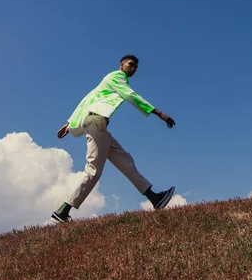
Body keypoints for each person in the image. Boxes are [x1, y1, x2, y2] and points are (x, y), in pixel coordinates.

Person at [50, 55, 175, 224]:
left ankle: (154, 198)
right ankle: (62, 211)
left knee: (125, 161)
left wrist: (70, 122)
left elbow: (87, 99)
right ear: (121, 65)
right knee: (93, 170)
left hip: (98, 125)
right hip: (96, 123)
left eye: (136, 67)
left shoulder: (108, 81)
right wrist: (159, 113)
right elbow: (130, 95)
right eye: (131, 64)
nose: (133, 68)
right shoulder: (117, 77)